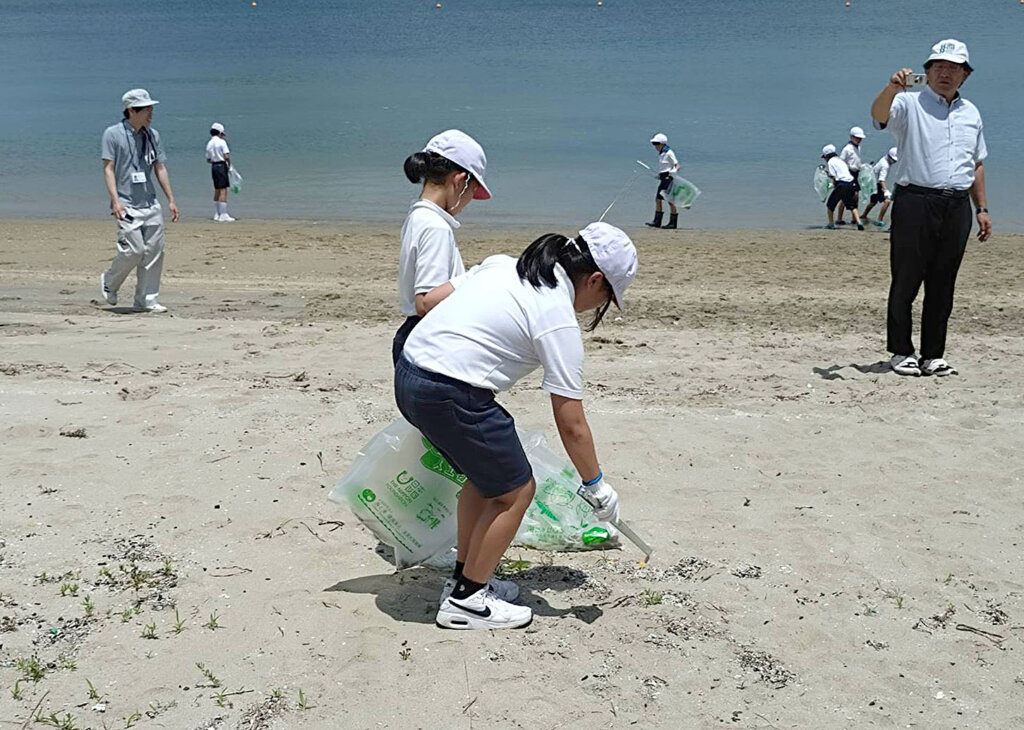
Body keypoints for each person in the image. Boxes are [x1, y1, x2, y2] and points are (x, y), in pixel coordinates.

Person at [395, 222, 637, 629]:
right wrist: (596, 484)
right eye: (605, 298)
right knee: (516, 490)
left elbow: (431, 301)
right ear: (595, 279)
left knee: (485, 478)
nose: (597, 308)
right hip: (448, 390)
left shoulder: (504, 265)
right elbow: (570, 418)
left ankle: (463, 580)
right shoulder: (556, 316)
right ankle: (467, 601)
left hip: (409, 371)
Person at [871, 39, 991, 377]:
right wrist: (892, 87)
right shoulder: (908, 103)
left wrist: (981, 207)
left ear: (964, 75)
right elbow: (878, 117)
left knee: (943, 283)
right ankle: (901, 351)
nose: (945, 73)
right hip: (915, 200)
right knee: (906, 279)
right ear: (926, 71)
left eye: (954, 68)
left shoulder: (972, 112)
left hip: (956, 205)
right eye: (938, 66)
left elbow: (976, 163)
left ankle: (933, 355)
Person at [393, 129, 491, 365]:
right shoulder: (435, 226)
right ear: (459, 181)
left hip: (412, 336)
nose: (469, 202)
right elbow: (425, 302)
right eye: (472, 192)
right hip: (425, 340)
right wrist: (477, 277)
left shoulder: (418, 215)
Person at [99, 89, 178, 313]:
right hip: (126, 203)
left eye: (151, 108)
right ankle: (109, 281)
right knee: (133, 250)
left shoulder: (153, 136)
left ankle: (146, 299)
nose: (151, 112)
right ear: (132, 110)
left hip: (150, 202)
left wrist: (171, 199)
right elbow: (108, 169)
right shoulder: (112, 134)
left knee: (154, 252)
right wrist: (115, 201)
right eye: (146, 109)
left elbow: (160, 168)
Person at [821, 144, 864, 230]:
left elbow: (833, 175)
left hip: (842, 184)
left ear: (826, 156)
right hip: (851, 183)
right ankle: (859, 223)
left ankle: (831, 224)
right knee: (852, 206)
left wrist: (827, 176)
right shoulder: (840, 161)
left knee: (830, 205)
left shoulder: (830, 162)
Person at [646, 133, 680, 229]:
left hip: (668, 179)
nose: (655, 146)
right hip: (663, 178)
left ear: (662, 144)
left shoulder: (669, 152)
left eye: (656, 143)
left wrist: (673, 171)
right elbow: (663, 167)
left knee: (670, 200)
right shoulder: (661, 154)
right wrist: (660, 175)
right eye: (654, 144)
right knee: (658, 199)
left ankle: (673, 223)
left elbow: (677, 164)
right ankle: (657, 221)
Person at [835, 126, 866, 225]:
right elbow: (841, 162)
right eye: (857, 138)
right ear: (851, 137)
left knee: (856, 196)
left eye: (860, 138)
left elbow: (857, 160)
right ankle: (839, 219)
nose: (859, 140)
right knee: (845, 197)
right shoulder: (847, 149)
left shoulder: (858, 148)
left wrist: (862, 167)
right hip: (848, 173)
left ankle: (853, 219)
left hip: (856, 173)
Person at [861, 147, 898, 227]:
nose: (894, 162)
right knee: (887, 201)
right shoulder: (885, 165)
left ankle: (864, 215)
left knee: (873, 202)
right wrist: (886, 191)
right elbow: (882, 180)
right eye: (894, 160)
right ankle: (879, 220)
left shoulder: (884, 158)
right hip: (876, 184)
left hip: (872, 181)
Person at [205, 123, 234, 222]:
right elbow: (226, 156)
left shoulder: (209, 143)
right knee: (223, 190)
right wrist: (229, 165)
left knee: (217, 189)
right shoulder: (222, 142)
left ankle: (217, 213)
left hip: (214, 166)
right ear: (220, 133)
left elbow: (208, 159)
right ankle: (223, 214)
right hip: (221, 165)